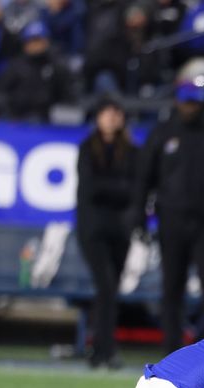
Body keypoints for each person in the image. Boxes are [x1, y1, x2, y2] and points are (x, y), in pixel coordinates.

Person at [134, 77, 204, 354]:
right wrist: (138, 215)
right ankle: (171, 350)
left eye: (195, 101)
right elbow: (143, 177)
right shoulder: (162, 133)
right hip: (171, 220)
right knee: (172, 286)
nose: (190, 107)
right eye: (185, 101)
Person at [76, 95, 138, 369]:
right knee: (106, 285)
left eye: (117, 112)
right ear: (98, 117)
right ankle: (103, 348)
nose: (112, 117)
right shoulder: (88, 148)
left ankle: (100, 348)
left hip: (120, 229)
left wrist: (113, 189)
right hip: (94, 229)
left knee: (110, 289)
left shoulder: (132, 151)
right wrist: (120, 189)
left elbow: (134, 190)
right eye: (107, 112)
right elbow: (91, 189)